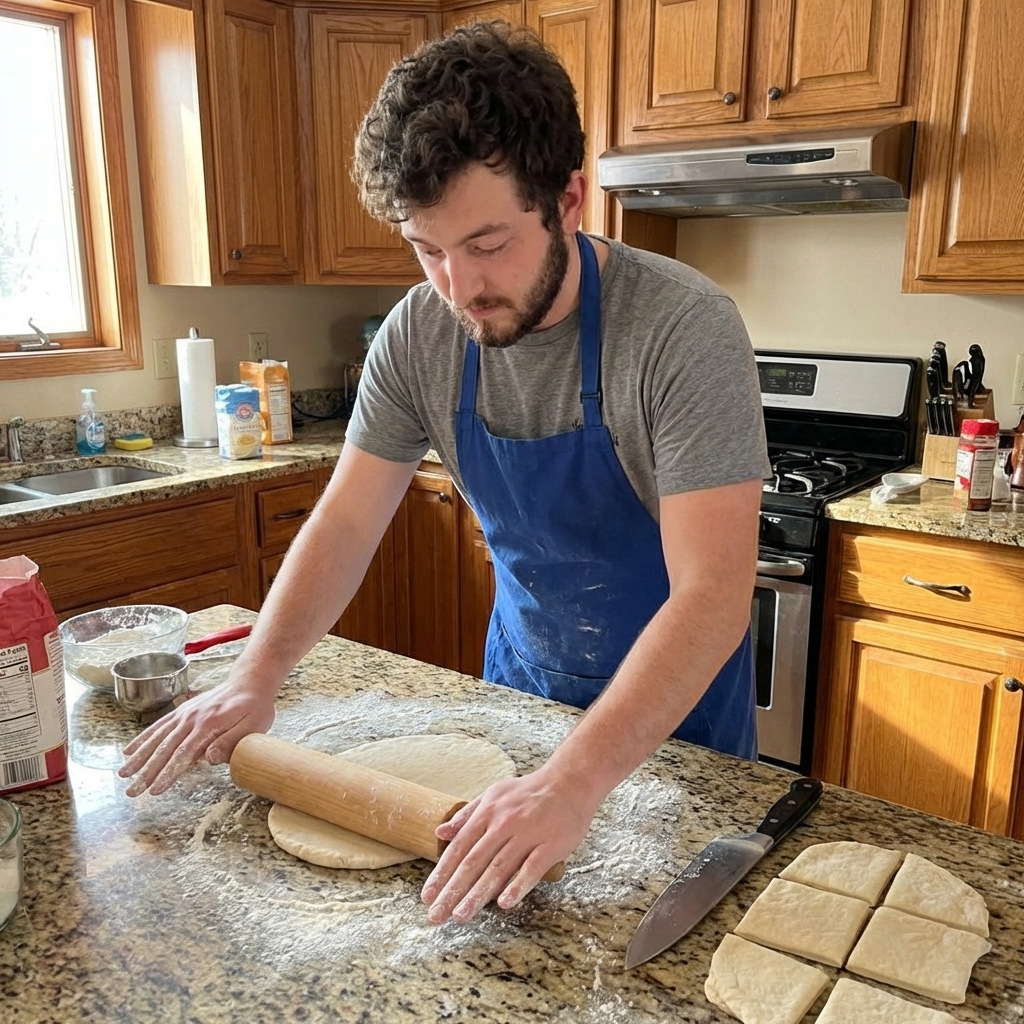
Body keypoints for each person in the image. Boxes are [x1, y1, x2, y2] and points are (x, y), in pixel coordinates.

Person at [120, 21, 770, 926]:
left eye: (488, 244)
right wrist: (254, 677)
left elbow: (712, 596)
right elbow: (346, 521)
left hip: (677, 728)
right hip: (519, 690)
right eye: (428, 249)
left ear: (569, 199)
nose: (458, 286)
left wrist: (573, 782)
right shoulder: (420, 334)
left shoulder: (680, 331)